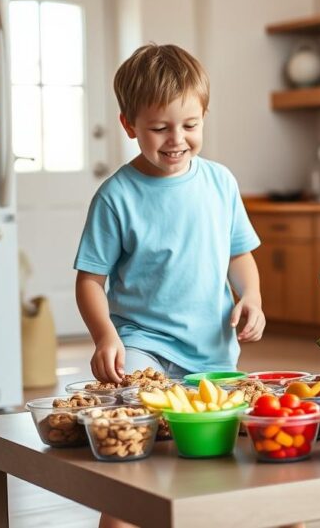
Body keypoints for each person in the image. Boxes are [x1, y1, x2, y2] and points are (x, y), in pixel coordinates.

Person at [73, 44, 265, 528]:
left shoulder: (220, 182)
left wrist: (252, 296)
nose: (177, 139)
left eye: (191, 125)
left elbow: (238, 254)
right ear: (129, 125)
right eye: (159, 128)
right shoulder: (116, 196)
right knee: (136, 450)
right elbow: (90, 281)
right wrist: (106, 336)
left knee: (220, 460)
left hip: (212, 351)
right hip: (143, 345)